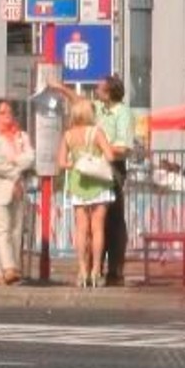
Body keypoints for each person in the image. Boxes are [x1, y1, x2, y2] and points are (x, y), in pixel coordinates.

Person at [57, 94, 115, 288]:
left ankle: (82, 271)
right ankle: (96, 270)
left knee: (81, 229)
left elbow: (61, 162)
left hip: (78, 183)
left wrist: (75, 162)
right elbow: (110, 155)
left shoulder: (68, 135)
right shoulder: (97, 132)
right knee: (97, 228)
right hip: (98, 183)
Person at [0, 97, 35, 285]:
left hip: (16, 189)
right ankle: (10, 268)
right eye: (2, 113)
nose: (7, 116)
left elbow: (29, 157)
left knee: (15, 230)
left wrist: (14, 164)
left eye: (9, 112)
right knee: (0, 230)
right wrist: (14, 171)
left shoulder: (21, 136)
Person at [95, 74, 135, 285]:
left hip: (113, 167)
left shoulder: (123, 114)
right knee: (96, 219)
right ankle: (96, 267)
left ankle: (115, 270)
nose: (96, 89)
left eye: (100, 88)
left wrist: (104, 148)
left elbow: (124, 147)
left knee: (114, 219)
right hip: (95, 167)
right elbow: (79, 103)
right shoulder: (99, 108)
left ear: (109, 92)